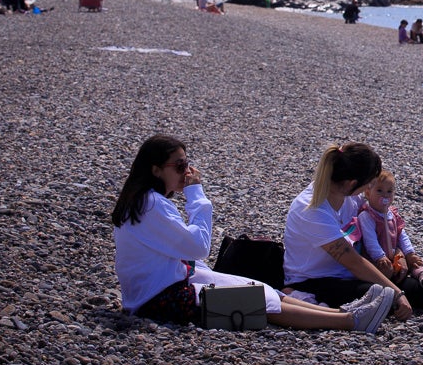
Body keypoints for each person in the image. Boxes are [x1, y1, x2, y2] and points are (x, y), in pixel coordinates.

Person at [110, 134, 393, 332]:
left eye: (187, 163)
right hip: (157, 299)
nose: (187, 171)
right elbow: (198, 247)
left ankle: (342, 313)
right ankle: (350, 322)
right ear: (156, 170)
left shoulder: (144, 201)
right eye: (180, 166)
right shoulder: (151, 205)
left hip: (166, 281)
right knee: (257, 302)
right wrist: (196, 195)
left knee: (260, 288)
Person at [282, 142, 423, 324]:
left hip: (343, 274)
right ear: (351, 183)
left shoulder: (345, 196)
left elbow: (379, 226)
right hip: (312, 282)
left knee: (412, 285)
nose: (369, 191)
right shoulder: (312, 210)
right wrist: (395, 293)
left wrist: (400, 254)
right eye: (368, 185)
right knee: (383, 292)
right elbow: (352, 262)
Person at [356, 170, 423, 288]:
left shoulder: (392, 215)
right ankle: (384, 288)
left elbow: (401, 235)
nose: (385, 195)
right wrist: (379, 256)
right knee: (383, 271)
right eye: (379, 191)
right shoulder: (368, 216)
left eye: (389, 191)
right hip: (375, 258)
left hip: (393, 254)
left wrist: (410, 253)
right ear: (368, 193)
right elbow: (370, 240)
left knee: (413, 262)